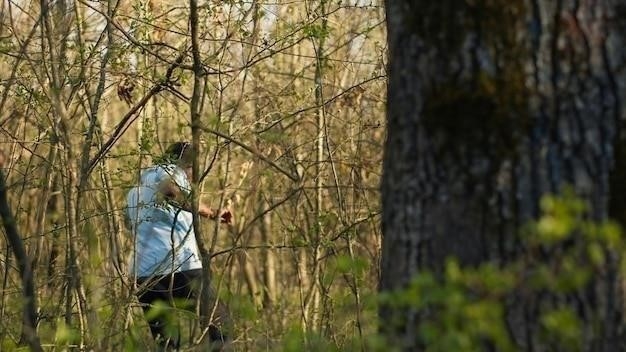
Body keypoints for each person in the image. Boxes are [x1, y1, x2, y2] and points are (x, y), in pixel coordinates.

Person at [125, 141, 233, 351]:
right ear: (187, 164)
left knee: (165, 343)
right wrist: (212, 213)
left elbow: (128, 223)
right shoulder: (170, 172)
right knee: (220, 319)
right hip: (178, 266)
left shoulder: (135, 189)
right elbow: (169, 190)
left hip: (143, 274)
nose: (194, 176)